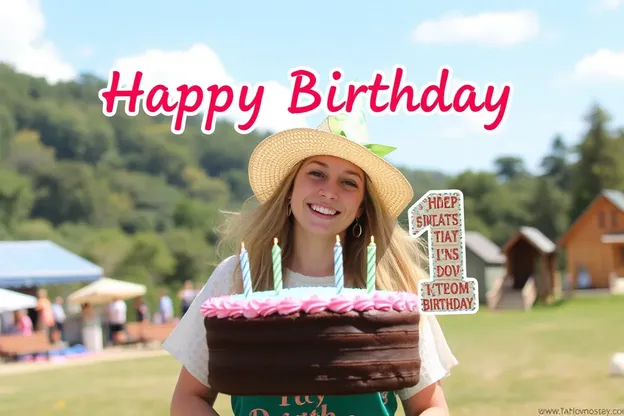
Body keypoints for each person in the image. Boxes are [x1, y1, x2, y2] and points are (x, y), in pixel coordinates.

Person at [163, 108, 458, 416]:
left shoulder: (393, 290)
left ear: (360, 207)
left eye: (349, 182)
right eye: (316, 173)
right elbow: (189, 399)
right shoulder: (237, 277)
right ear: (290, 189)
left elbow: (429, 406)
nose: (329, 191)